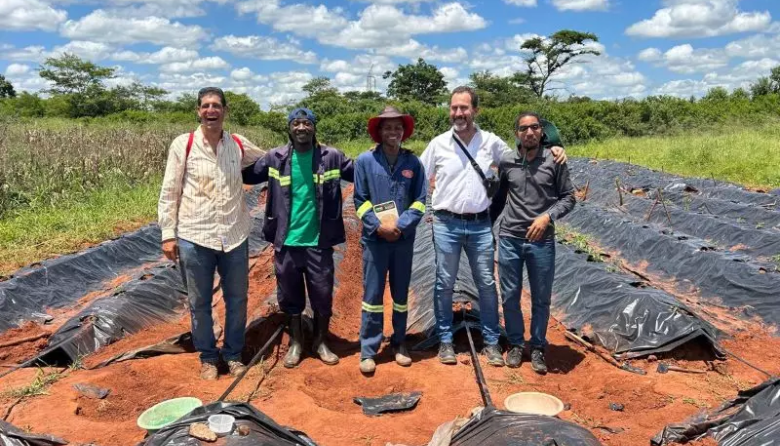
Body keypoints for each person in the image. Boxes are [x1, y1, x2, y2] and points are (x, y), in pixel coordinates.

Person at [419, 86, 567, 367]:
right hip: (446, 223)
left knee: (486, 284)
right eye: (454, 108)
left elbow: (523, 153)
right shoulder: (438, 144)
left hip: (479, 225)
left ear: (475, 110)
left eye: (464, 108)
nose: (459, 113)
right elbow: (418, 176)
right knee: (444, 283)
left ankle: (490, 342)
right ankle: (446, 341)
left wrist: (554, 147)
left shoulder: (491, 143)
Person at [158, 87, 265, 380]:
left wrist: (310, 156)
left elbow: (270, 160)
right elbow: (170, 190)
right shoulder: (184, 144)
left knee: (237, 299)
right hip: (194, 236)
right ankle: (208, 357)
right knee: (199, 301)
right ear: (198, 111)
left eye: (216, 105)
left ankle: (232, 354)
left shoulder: (239, 145)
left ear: (225, 111)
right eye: (205, 105)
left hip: (234, 234)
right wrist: (168, 233)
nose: (211, 110)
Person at [242, 107, 354, 368]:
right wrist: (233, 149)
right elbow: (246, 174)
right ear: (289, 128)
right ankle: (296, 342)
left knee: (322, 293)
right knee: (289, 295)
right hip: (287, 242)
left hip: (319, 241)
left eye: (307, 123)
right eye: (296, 123)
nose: (301, 128)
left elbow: (362, 173)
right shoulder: (275, 157)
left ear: (314, 127)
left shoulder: (332, 157)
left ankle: (320, 341)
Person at [490, 112, 575, 374]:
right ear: (516, 133)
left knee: (541, 298)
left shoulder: (555, 160)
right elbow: (499, 198)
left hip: (541, 241)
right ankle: (516, 343)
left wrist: (547, 217)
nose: (529, 132)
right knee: (510, 296)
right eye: (524, 128)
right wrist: (486, 230)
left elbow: (569, 197)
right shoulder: (507, 162)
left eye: (534, 127)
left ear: (542, 132)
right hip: (510, 238)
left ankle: (538, 347)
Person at [353, 106, 426, 375]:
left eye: (397, 127)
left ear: (404, 131)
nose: (393, 131)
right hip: (375, 240)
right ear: (379, 132)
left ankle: (399, 343)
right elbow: (360, 200)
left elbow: (420, 200)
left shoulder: (413, 163)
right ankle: (368, 350)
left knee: (400, 296)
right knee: (372, 296)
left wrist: (401, 225)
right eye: (387, 127)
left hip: (403, 240)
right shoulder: (364, 161)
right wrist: (377, 226)